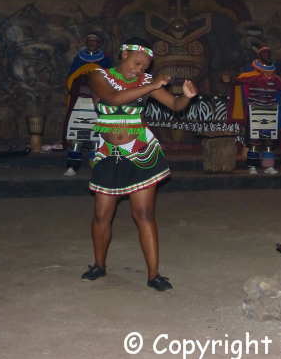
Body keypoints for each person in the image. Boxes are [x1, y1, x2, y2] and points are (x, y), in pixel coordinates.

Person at [82, 37, 197, 291]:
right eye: (137, 63)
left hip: (142, 151)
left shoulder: (146, 82)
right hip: (108, 152)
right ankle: (99, 265)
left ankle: (154, 274)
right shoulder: (99, 75)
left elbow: (175, 104)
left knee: (144, 214)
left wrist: (186, 97)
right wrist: (152, 84)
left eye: (145, 66)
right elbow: (114, 99)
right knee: (102, 215)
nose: (140, 69)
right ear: (124, 54)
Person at [227, 45, 281, 174]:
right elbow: (239, 80)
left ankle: (268, 166)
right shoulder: (251, 71)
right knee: (254, 139)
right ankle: (252, 166)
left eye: (268, 53)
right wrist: (230, 81)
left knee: (269, 140)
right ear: (258, 54)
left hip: (271, 110)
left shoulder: (274, 74)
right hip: (255, 109)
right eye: (264, 53)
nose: (267, 55)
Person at [62, 33, 111, 176]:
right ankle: (73, 166)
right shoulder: (79, 58)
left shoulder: (105, 60)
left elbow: (110, 79)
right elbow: (71, 78)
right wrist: (81, 77)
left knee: (96, 138)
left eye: (94, 41)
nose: (91, 43)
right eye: (89, 40)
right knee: (76, 137)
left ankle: (96, 166)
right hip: (80, 102)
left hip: (97, 102)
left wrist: (95, 79)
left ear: (98, 43)